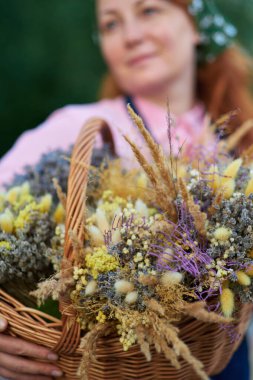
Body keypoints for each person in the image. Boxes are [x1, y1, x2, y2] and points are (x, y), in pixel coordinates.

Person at [0, 0, 252, 379]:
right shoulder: (76, 127)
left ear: (196, 25)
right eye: (111, 24)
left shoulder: (239, 137)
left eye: (149, 11)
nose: (131, 36)